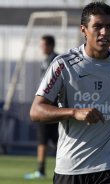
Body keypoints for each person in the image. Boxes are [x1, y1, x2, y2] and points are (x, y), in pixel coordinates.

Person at [29, 2, 110, 184]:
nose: (104, 32)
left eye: (109, 26)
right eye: (98, 26)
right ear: (84, 29)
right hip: (71, 168)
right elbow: (36, 111)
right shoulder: (62, 64)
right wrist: (74, 112)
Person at [24, 35, 59, 179]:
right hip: (48, 105)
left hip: (51, 107)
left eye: (43, 45)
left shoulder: (57, 61)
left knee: (46, 139)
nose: (41, 47)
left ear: (50, 45)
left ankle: (42, 170)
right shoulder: (46, 61)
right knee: (46, 139)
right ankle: (42, 170)